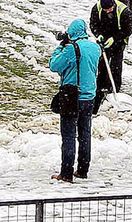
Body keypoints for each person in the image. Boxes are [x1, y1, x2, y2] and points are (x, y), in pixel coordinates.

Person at [49, 19, 102, 182]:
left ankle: (66, 172)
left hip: (72, 96)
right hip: (89, 96)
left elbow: (54, 65)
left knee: (69, 135)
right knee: (85, 134)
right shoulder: (95, 48)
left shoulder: (71, 49)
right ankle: (83, 169)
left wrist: (61, 45)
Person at [89, 0, 132, 112]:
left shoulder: (124, 11)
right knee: (102, 64)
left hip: (119, 40)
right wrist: (98, 35)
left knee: (116, 65)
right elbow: (93, 24)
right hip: (104, 38)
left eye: (110, 9)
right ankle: (101, 88)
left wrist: (114, 38)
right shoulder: (96, 9)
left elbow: (129, 29)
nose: (108, 11)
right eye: (106, 9)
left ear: (113, 5)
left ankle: (115, 89)